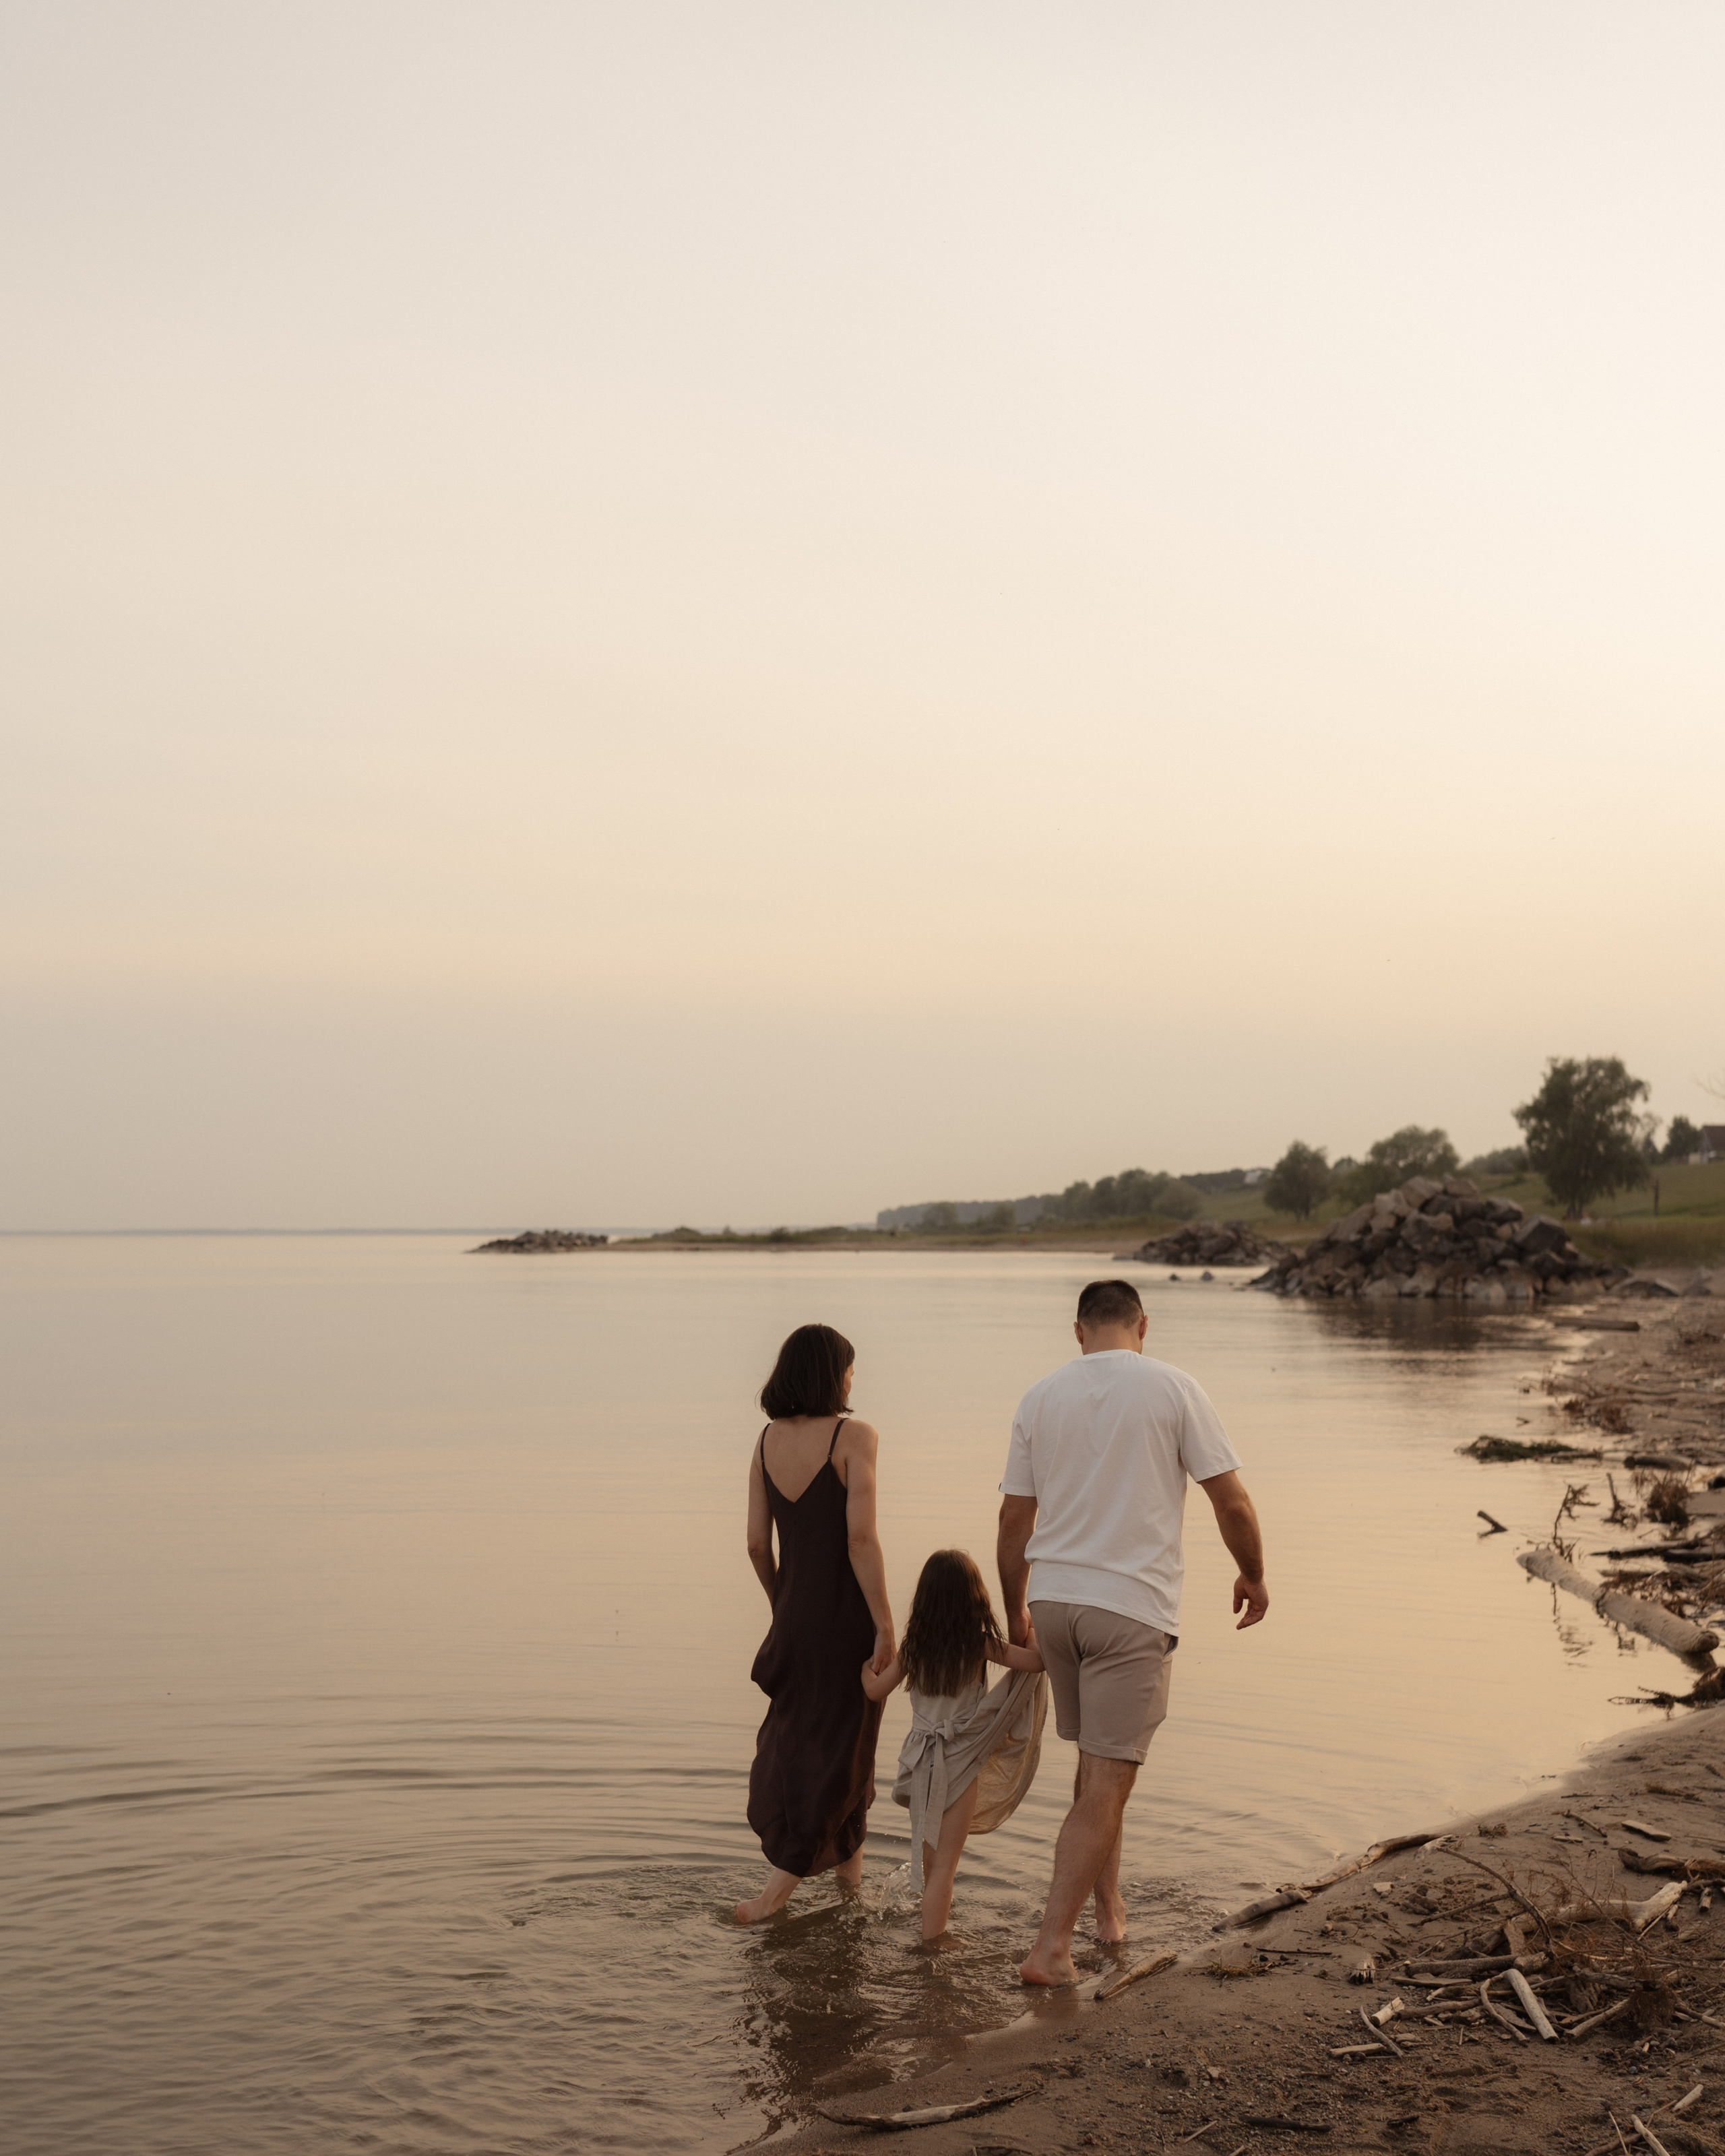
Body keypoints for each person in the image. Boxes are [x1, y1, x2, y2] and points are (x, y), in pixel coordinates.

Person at [998, 1278, 1268, 1986]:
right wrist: (1253, 1572)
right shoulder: (1173, 1386)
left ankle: (1108, 1911)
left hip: (1055, 1599)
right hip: (1129, 1607)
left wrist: (1014, 1608)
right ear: (1142, 1324)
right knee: (1109, 1778)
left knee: (1095, 1770)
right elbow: (1230, 1497)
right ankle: (1049, 1948)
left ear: (1079, 1330)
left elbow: (1012, 1521)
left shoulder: (1039, 1395)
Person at [735, 1323, 895, 1925]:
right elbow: (860, 1538)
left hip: (794, 1617)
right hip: (846, 1618)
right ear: (834, 1373)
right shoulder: (855, 1435)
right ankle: (769, 1901)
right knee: (843, 1749)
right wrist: (884, 1624)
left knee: (832, 1745)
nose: (855, 1379)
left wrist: (784, 1605)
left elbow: (756, 1544)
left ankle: (852, 1894)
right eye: (850, 1368)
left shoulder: (765, 1441)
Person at [862, 1550, 1048, 1942]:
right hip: (959, 1762)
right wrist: (1030, 1628)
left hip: (920, 1764)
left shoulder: (915, 1647)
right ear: (974, 1598)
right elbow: (1035, 1663)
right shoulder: (980, 1644)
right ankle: (931, 1952)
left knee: (932, 1868)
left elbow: (877, 1690)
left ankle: (926, 1937)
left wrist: (865, 1672)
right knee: (945, 1871)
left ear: (924, 1599)